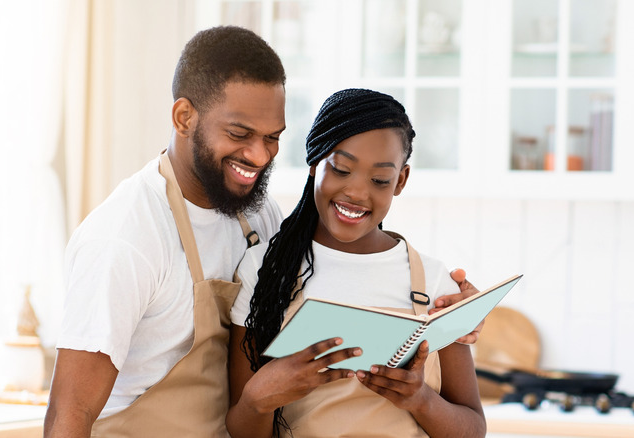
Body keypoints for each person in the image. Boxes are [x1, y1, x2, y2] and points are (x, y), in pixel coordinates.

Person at [45, 26, 480, 437]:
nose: (258, 155)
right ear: (183, 117)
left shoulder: (256, 216)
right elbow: (70, 412)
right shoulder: (125, 238)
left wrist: (455, 320)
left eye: (273, 137)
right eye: (240, 133)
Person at [226, 89, 486, 437]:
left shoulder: (435, 284)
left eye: (379, 180)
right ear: (315, 162)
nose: (357, 193)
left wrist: (420, 399)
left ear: (401, 180)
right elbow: (241, 429)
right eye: (342, 169)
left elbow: (473, 429)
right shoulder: (265, 270)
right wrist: (259, 397)